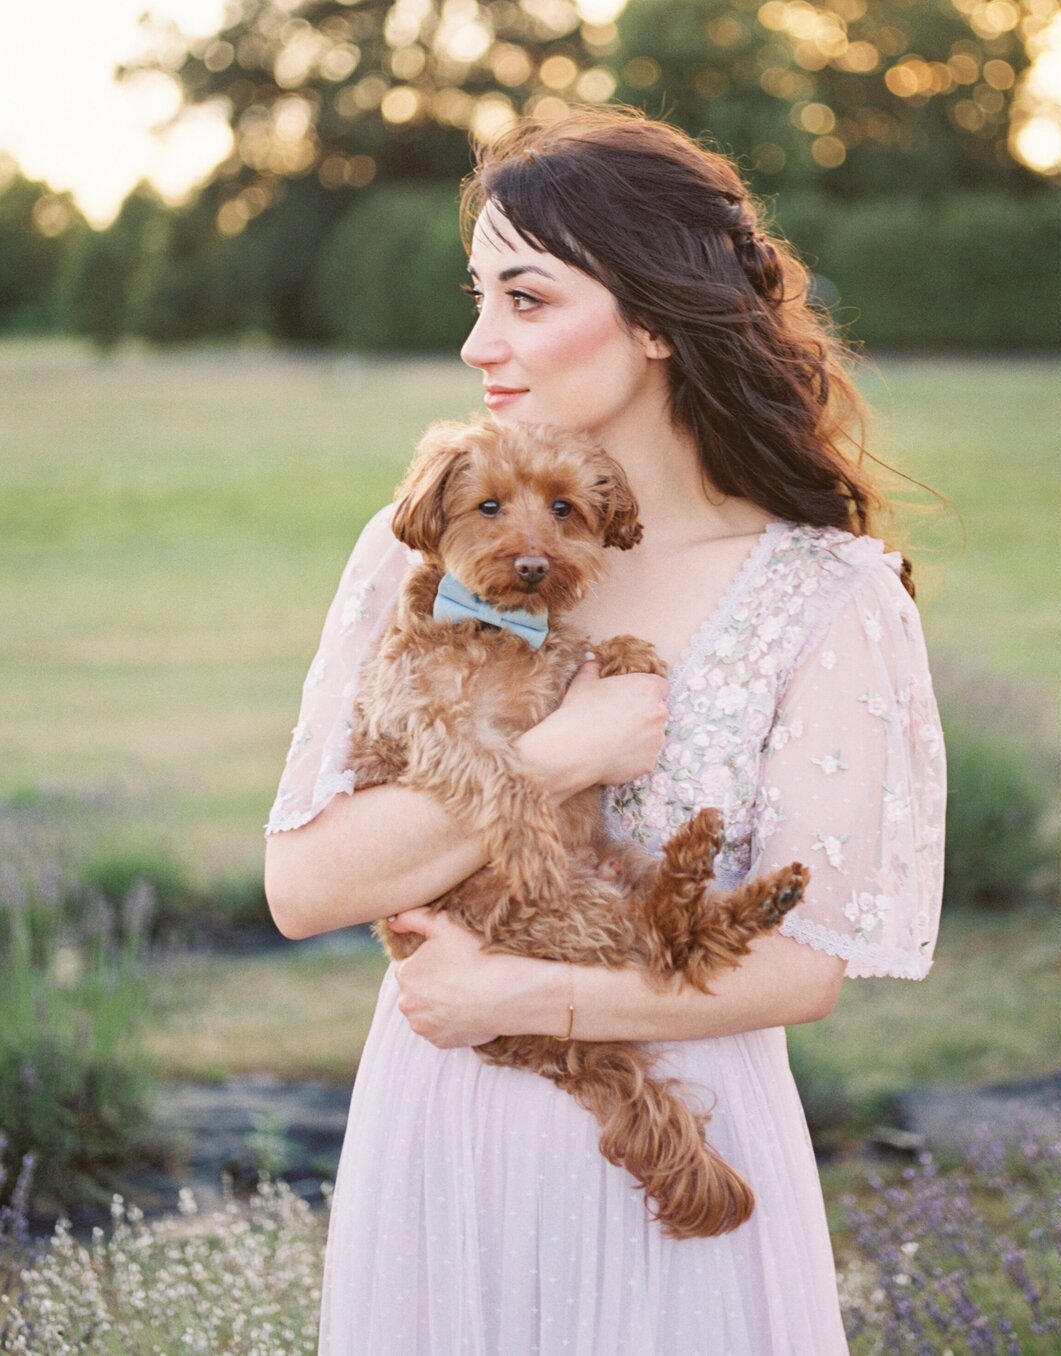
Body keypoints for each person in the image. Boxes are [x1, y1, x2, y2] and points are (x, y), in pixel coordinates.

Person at [263, 104, 947, 1356]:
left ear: (649, 315)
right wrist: (559, 755)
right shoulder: (419, 551)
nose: (479, 341)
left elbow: (801, 967)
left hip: (682, 1143)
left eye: (525, 299)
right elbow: (303, 884)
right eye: (477, 298)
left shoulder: (827, 594)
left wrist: (510, 991)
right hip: (443, 1133)